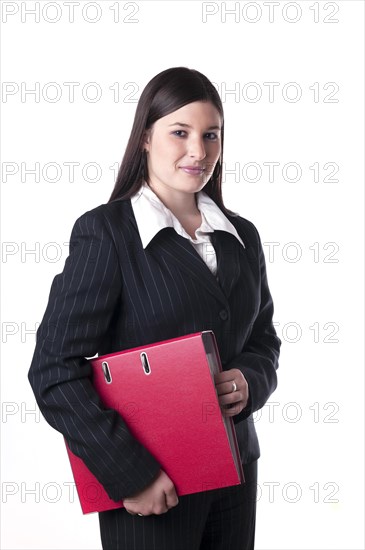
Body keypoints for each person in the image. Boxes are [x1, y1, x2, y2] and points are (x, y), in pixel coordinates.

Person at [28, 66, 281, 550]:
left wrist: (250, 379)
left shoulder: (241, 235)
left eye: (212, 135)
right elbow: (53, 370)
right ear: (145, 137)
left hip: (235, 472)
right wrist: (129, 473)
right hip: (151, 484)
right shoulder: (107, 233)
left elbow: (264, 338)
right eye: (179, 133)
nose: (198, 151)